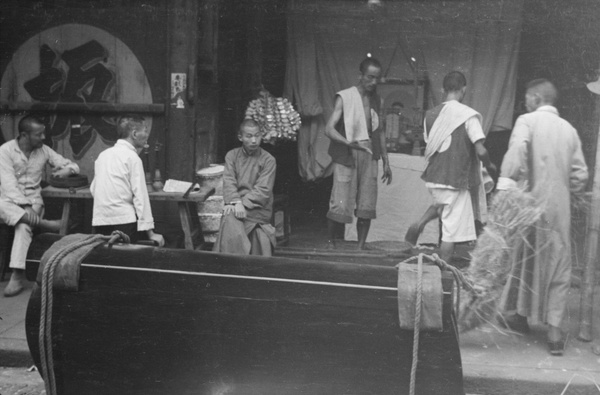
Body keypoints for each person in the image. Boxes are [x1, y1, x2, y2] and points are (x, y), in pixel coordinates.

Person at [496, 79, 588, 356]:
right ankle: (554, 334)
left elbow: (517, 152)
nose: (525, 103)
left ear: (536, 98)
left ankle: (521, 316)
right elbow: (580, 175)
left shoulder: (527, 121)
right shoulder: (569, 130)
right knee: (559, 264)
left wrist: (506, 185)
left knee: (525, 260)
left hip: (528, 204)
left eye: (527, 98)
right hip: (559, 209)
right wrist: (567, 191)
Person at [404, 71, 495, 263]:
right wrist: (490, 165)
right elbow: (480, 150)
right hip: (455, 177)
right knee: (450, 231)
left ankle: (420, 223)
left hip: (435, 175)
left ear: (443, 90)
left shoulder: (429, 115)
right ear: (464, 89)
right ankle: (444, 268)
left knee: (442, 205)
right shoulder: (468, 116)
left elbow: (432, 145)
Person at [0, 114, 80, 297]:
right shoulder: (5, 151)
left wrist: (65, 171)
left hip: (34, 200)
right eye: (39, 134)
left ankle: (17, 275)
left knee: (23, 225)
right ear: (24, 135)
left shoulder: (43, 150)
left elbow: (73, 166)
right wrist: (24, 206)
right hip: (7, 201)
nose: (43, 138)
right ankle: (48, 225)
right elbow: (8, 185)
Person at [324, 57, 392, 250]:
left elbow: (380, 132)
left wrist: (386, 161)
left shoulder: (378, 100)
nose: (374, 82)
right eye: (370, 77)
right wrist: (348, 143)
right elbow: (328, 129)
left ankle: (360, 247)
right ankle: (330, 243)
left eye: (377, 78)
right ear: (360, 76)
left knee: (367, 202)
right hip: (348, 153)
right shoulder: (345, 97)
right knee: (340, 201)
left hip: (370, 153)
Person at [91, 115, 164, 247]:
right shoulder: (133, 158)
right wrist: (151, 234)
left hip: (100, 224)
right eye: (145, 130)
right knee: (169, 235)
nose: (147, 134)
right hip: (125, 225)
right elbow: (141, 197)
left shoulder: (103, 155)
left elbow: (94, 189)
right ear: (135, 134)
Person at [213, 119, 277, 256]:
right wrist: (234, 201)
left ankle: (233, 262)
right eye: (249, 136)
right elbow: (229, 181)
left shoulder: (268, 160)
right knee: (229, 215)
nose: (254, 140)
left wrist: (242, 204)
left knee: (229, 217)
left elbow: (263, 190)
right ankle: (236, 262)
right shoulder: (232, 156)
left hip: (258, 208)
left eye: (257, 135)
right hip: (237, 205)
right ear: (240, 137)